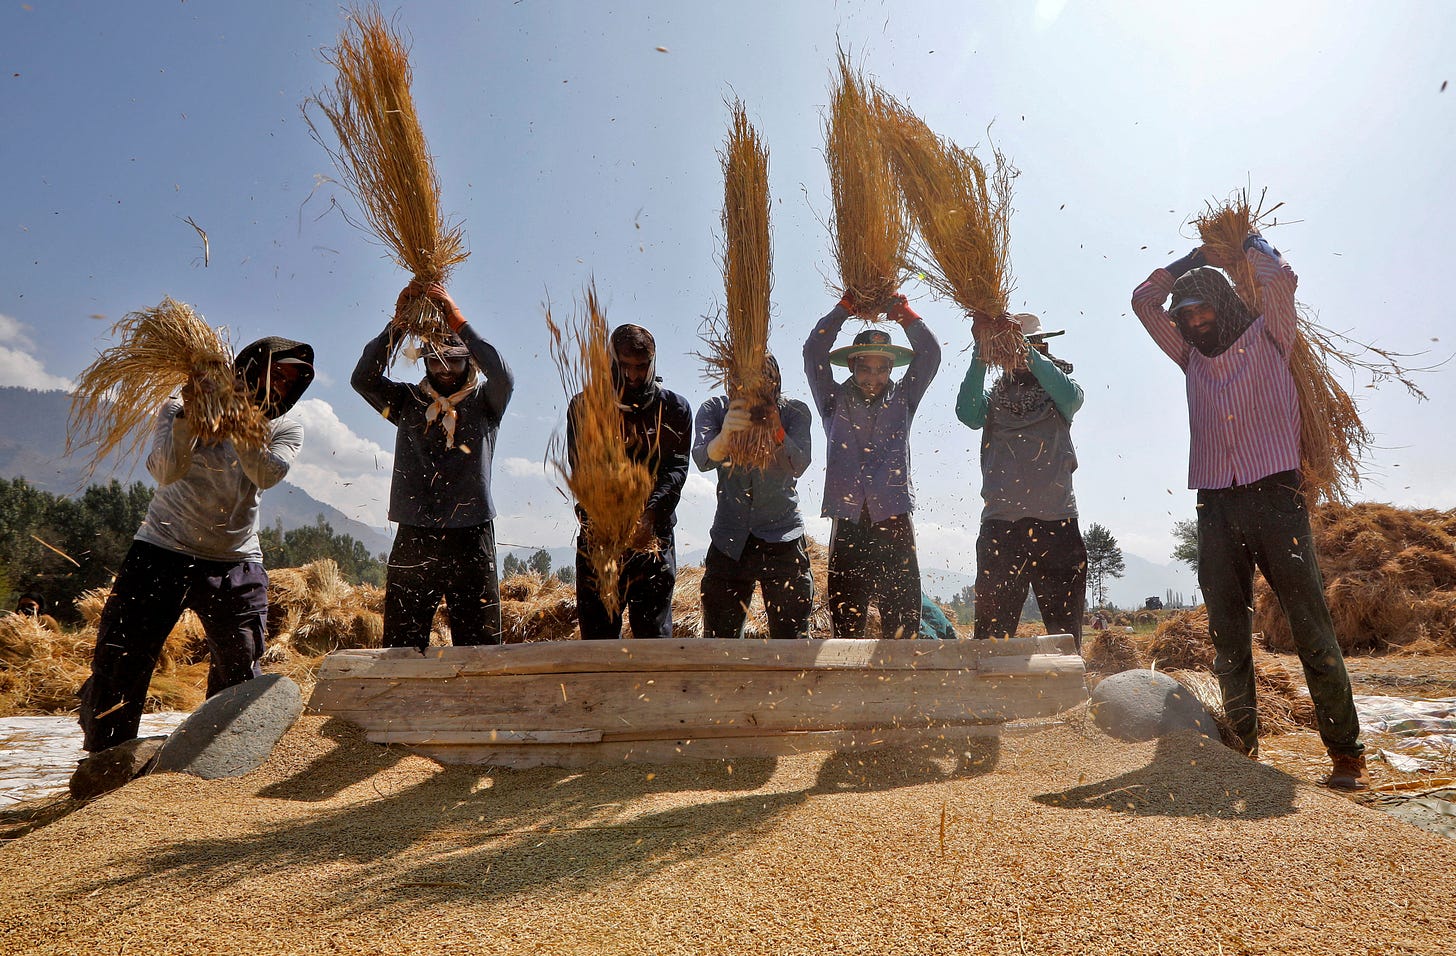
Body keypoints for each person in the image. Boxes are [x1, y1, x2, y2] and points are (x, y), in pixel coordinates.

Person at [1132, 233, 1368, 790]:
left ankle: (1345, 752)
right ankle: (1242, 748)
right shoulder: (1189, 357)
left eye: (1202, 307)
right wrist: (1190, 260)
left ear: (1225, 300)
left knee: (1309, 622)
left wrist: (1248, 244)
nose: (1192, 322)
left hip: (1276, 498)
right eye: (1184, 315)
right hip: (1215, 503)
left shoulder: (1271, 336)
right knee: (1227, 632)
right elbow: (1144, 302)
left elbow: (1279, 282)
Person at [77, 336, 314, 753]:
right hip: (160, 551)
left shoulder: (284, 426)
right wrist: (191, 414)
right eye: (275, 374)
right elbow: (166, 471)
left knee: (240, 668)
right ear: (250, 368)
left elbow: (266, 473)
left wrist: (239, 420)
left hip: (234, 561)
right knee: (122, 661)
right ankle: (105, 760)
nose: (280, 387)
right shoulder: (177, 406)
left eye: (290, 382)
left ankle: (214, 762)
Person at [352, 281, 513, 649]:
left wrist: (458, 321)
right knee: (402, 643)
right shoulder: (407, 402)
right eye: (436, 360)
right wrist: (399, 324)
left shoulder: (485, 404)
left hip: (471, 535)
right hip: (415, 533)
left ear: (468, 361)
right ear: (424, 361)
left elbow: (503, 374)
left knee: (480, 646)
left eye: (454, 359)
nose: (444, 369)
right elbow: (363, 379)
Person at [803, 292, 941, 639]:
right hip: (848, 519)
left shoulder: (904, 398)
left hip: (893, 518)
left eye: (882, 369)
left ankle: (901, 685)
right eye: (865, 367)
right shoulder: (831, 400)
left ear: (891, 368)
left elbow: (930, 353)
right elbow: (813, 350)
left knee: (902, 622)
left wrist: (903, 313)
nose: (873, 377)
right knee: (847, 618)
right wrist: (845, 308)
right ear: (852, 365)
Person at [955, 314, 1087, 648]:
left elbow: (1069, 395)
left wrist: (1024, 348)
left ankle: (1069, 700)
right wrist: (981, 351)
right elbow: (966, 412)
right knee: (991, 641)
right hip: (1002, 528)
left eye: (1035, 345)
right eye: (1013, 348)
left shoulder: (1062, 394)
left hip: (1056, 525)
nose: (1024, 354)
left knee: (1065, 638)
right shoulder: (991, 402)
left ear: (1043, 348)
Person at [570, 324, 692, 639]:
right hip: (600, 541)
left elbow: (676, 469)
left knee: (653, 643)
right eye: (626, 367)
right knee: (598, 645)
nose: (635, 376)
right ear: (611, 362)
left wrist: (649, 516)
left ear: (654, 362)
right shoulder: (586, 408)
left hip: (652, 540)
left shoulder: (674, 409)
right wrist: (609, 518)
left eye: (643, 367)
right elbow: (582, 472)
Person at [692, 355, 814, 640]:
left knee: (792, 642)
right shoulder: (716, 410)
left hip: (782, 536)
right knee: (720, 643)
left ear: (775, 383)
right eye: (743, 381)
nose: (752, 389)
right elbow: (702, 458)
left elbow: (799, 463)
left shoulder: (794, 412)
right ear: (731, 382)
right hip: (729, 540)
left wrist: (775, 427)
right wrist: (725, 436)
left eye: (762, 382)